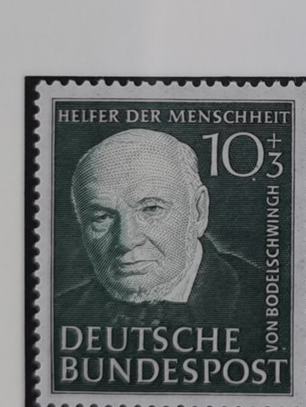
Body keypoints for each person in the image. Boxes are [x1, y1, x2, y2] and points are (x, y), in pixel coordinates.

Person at [58, 127, 266, 337]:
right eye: (102, 217)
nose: (126, 240)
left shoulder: (269, 301)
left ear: (198, 211)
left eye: (151, 208)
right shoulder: (59, 315)